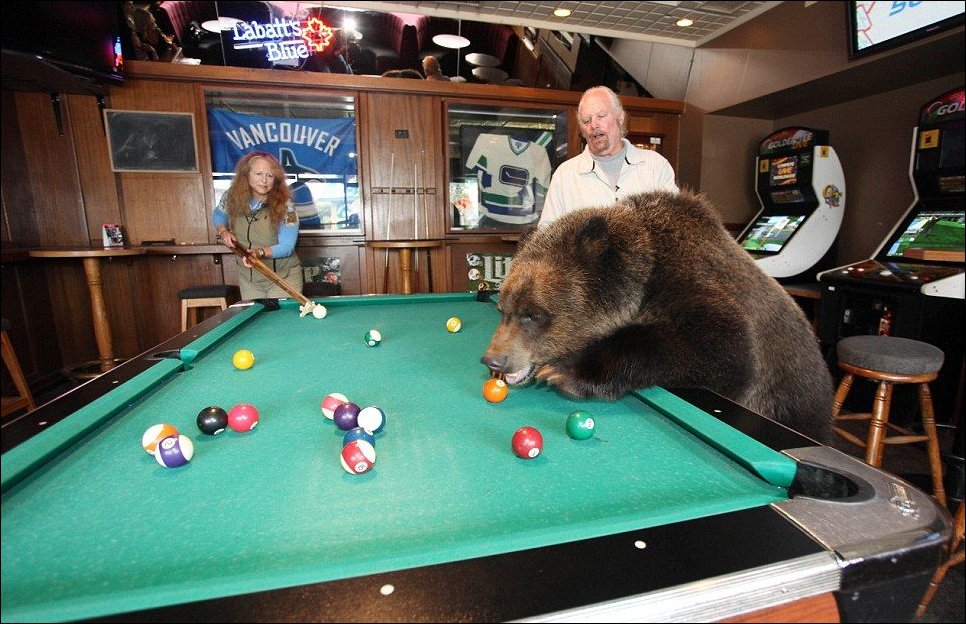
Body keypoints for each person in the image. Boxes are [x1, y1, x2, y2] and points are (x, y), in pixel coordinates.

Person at [537, 85, 678, 227]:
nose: (594, 125)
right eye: (587, 121)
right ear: (583, 130)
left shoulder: (655, 166)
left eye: (601, 116)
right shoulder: (565, 176)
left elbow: (675, 227)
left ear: (620, 118)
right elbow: (547, 237)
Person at [213, 152, 304, 300]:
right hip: (249, 279)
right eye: (259, 173)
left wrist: (258, 253)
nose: (264, 180)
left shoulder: (285, 204)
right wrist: (223, 232)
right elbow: (218, 215)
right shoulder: (231, 196)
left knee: (278, 323)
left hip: (282, 278)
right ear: (246, 175)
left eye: (269, 175)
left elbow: (287, 246)